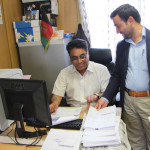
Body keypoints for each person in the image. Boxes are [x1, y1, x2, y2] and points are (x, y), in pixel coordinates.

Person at [95, 4, 150, 150]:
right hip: (129, 100)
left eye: (118, 26)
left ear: (130, 20)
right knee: (134, 141)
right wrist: (105, 97)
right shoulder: (122, 46)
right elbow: (117, 75)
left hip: (148, 102)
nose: (117, 31)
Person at [49, 38, 110, 113]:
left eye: (82, 56)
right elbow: (57, 95)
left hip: (96, 110)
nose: (79, 61)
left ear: (88, 54)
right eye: (74, 58)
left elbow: (108, 93)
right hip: (72, 112)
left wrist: (97, 96)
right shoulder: (64, 73)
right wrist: (54, 104)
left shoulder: (101, 70)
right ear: (70, 58)